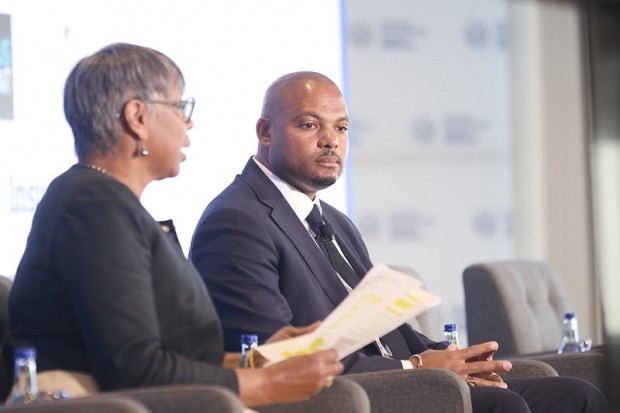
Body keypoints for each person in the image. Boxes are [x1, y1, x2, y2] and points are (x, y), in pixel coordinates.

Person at [189, 71, 608, 412]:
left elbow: (384, 331)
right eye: (310, 125)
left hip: (399, 378)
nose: (331, 140)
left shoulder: (334, 220)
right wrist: (419, 367)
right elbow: (272, 359)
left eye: (341, 128)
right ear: (265, 132)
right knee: (503, 406)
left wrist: (453, 358)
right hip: (345, 396)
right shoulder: (237, 221)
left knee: (576, 396)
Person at [4, 44, 345, 409]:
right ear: (137, 117)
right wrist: (268, 383)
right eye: (180, 107)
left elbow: (163, 361)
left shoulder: (109, 203)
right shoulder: (91, 204)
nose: (188, 122)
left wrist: (256, 360)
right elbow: (134, 370)